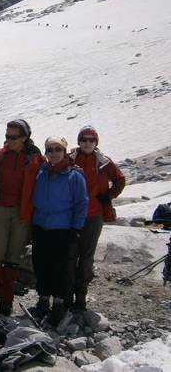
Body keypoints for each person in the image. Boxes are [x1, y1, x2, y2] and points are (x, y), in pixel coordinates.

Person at [0, 119, 42, 316]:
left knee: (13, 258)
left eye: (13, 137)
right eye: (7, 136)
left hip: (23, 212)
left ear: (25, 138)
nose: (8, 140)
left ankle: (6, 302)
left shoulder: (34, 158)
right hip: (0, 209)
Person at [30, 137, 88, 324]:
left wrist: (76, 227)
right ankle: (43, 299)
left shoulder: (74, 175)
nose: (53, 153)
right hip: (41, 225)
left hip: (62, 228)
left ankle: (59, 303)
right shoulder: (41, 172)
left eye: (57, 149)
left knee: (60, 267)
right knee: (41, 264)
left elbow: (81, 203)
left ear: (64, 151)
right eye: (49, 150)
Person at [68, 126, 125, 311]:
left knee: (86, 257)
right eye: (84, 139)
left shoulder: (103, 161)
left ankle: (81, 296)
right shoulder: (70, 158)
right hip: (72, 214)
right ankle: (67, 294)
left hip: (94, 215)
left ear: (96, 142)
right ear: (79, 141)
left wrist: (108, 195)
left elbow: (120, 179)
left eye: (91, 140)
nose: (87, 143)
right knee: (70, 255)